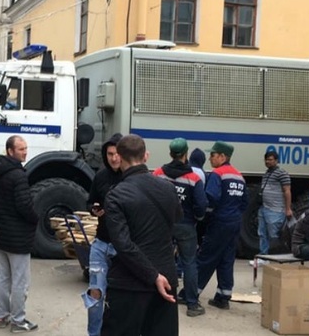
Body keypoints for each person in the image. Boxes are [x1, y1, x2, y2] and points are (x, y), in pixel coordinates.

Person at [101, 134, 181, 336]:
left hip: (130, 282)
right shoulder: (168, 188)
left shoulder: (116, 194)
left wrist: (153, 276)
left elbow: (123, 244)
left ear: (119, 157)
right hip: (166, 278)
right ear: (146, 156)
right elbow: (176, 223)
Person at [153, 138, 208, 317]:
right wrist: (196, 219)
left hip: (162, 225)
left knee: (161, 259)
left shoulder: (158, 173)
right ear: (186, 154)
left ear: (170, 154)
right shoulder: (194, 178)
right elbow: (201, 205)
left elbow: (149, 195)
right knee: (189, 262)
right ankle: (192, 304)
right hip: (186, 225)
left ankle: (161, 296)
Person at [0, 135, 39, 333]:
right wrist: (36, 218)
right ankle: (18, 321)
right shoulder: (18, 175)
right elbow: (24, 205)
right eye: (21, 149)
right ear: (10, 151)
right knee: (20, 281)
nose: (25, 152)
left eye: (26, 148)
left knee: (3, 277)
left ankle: (2, 315)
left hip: (3, 233)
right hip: (18, 235)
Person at [196, 141, 248, 311]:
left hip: (219, 222)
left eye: (213, 155)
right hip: (234, 223)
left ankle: (190, 293)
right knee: (226, 259)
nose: (210, 158)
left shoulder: (217, 174)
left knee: (206, 257)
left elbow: (210, 197)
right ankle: (223, 297)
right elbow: (244, 203)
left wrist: (203, 215)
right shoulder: (239, 176)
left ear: (222, 157)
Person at [82, 133, 122, 336]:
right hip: (101, 243)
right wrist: (94, 209)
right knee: (96, 293)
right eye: (109, 154)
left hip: (123, 247)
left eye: (117, 154)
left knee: (120, 298)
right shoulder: (101, 176)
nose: (113, 158)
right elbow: (90, 201)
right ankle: (94, 333)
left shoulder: (131, 178)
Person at [251, 150, 292, 264]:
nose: (268, 161)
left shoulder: (282, 173)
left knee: (275, 235)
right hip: (264, 208)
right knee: (262, 233)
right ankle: (264, 257)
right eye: (266, 159)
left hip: (276, 210)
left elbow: (287, 191)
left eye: (270, 159)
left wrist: (288, 209)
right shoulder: (267, 173)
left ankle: (279, 258)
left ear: (276, 160)